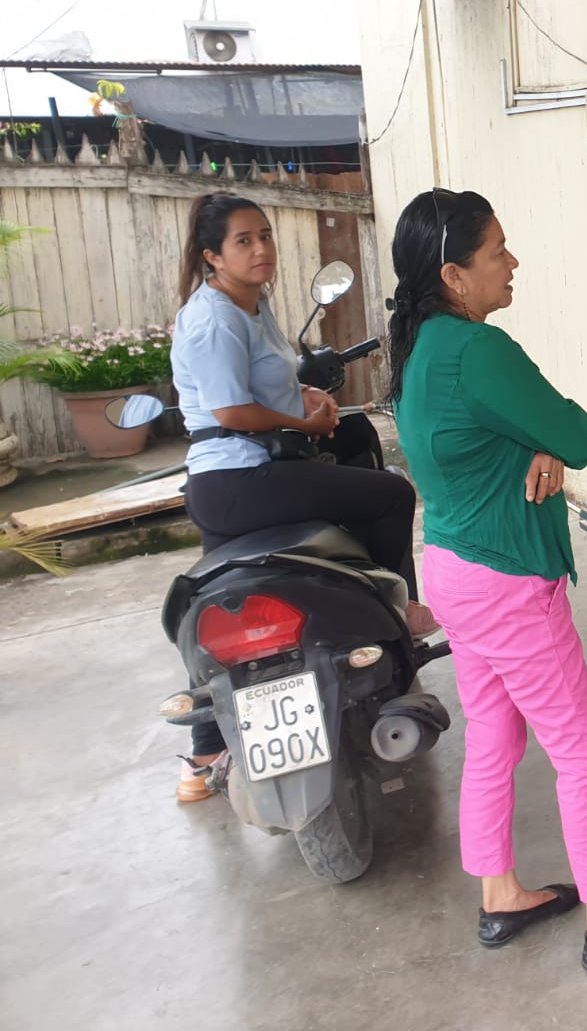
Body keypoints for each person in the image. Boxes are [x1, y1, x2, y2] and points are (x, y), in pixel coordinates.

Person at [388, 187, 587, 969]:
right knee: (584, 749)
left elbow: (492, 438)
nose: (513, 262)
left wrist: (538, 447)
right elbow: (580, 434)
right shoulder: (479, 350)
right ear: (454, 276)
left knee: (496, 733)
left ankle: (499, 892)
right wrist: (550, 442)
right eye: (497, 251)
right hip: (506, 582)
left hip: (452, 570)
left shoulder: (421, 349)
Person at [169, 192, 431, 803]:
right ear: (212, 256)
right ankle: (398, 621)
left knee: (220, 606)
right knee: (391, 495)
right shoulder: (215, 320)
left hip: (234, 482)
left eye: (265, 235)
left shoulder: (250, 304)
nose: (261, 249)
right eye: (243, 241)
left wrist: (305, 398)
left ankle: (203, 754)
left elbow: (270, 383)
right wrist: (307, 423)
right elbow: (232, 412)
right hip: (241, 481)